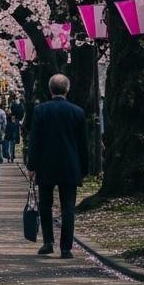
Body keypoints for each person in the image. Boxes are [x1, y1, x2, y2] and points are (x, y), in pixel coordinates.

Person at [27, 73, 89, 259]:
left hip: (46, 164)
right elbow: (83, 144)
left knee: (45, 204)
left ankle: (48, 242)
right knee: (68, 206)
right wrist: (84, 168)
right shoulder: (77, 112)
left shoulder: (41, 110)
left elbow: (34, 140)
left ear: (50, 90)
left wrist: (32, 165)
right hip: (70, 164)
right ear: (67, 89)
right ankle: (66, 247)